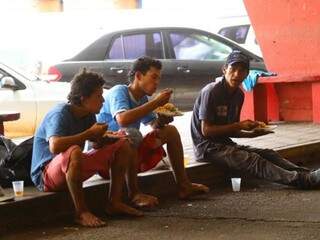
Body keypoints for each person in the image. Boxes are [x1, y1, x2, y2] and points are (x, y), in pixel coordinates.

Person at [191, 50, 320, 189]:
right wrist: (239, 125)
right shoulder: (211, 91)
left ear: (247, 74)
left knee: (269, 154)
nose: (236, 74)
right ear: (224, 69)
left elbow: (229, 130)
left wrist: (251, 134)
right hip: (206, 147)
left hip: (224, 143)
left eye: (242, 71)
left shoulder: (238, 95)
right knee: (254, 160)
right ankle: (303, 180)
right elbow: (206, 131)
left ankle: (309, 175)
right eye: (233, 69)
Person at [30, 69, 143, 228]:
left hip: (73, 168)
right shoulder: (60, 113)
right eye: (98, 96)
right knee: (75, 151)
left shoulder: (89, 114)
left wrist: (105, 138)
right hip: (47, 176)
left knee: (123, 143)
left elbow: (95, 144)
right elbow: (55, 146)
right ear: (83, 99)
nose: (103, 100)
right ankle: (81, 212)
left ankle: (114, 202)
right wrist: (89, 133)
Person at [97, 56, 209, 207]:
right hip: (108, 160)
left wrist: (163, 119)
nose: (157, 83)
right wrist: (156, 102)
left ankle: (184, 185)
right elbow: (122, 120)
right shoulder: (120, 91)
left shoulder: (142, 98)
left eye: (159, 78)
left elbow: (154, 125)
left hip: (130, 156)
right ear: (138, 76)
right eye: (153, 77)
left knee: (170, 131)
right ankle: (134, 193)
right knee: (130, 134)